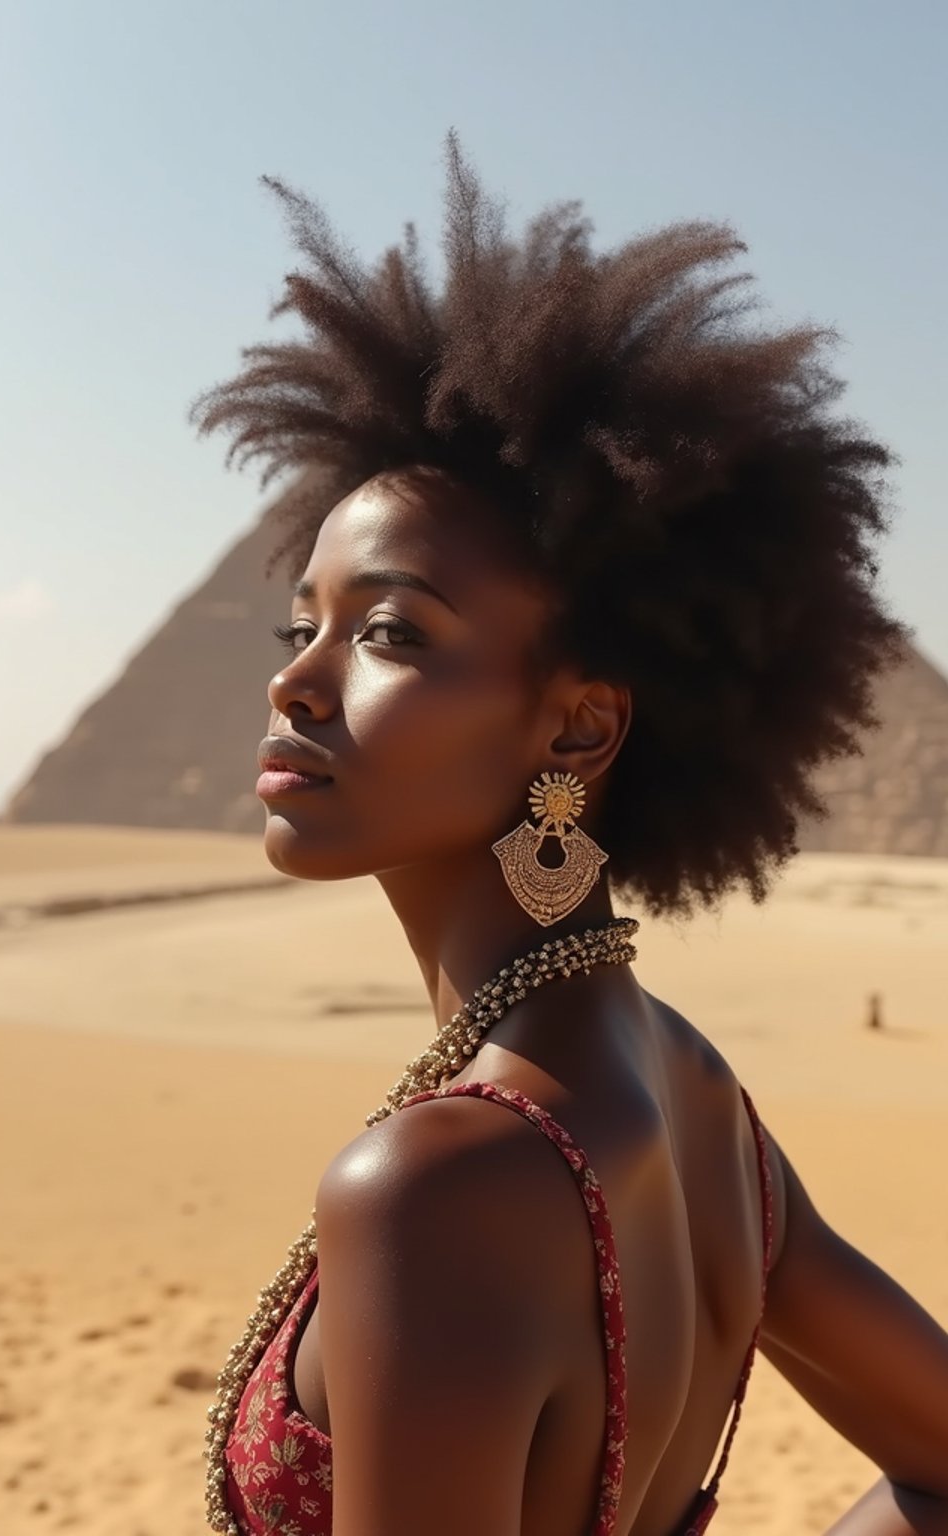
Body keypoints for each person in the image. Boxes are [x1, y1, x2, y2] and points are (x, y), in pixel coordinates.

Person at [192, 136, 948, 1536]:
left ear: (577, 732)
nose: (298, 678)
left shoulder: (437, 1187)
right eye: (305, 623)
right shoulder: (701, 1102)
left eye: (392, 633)